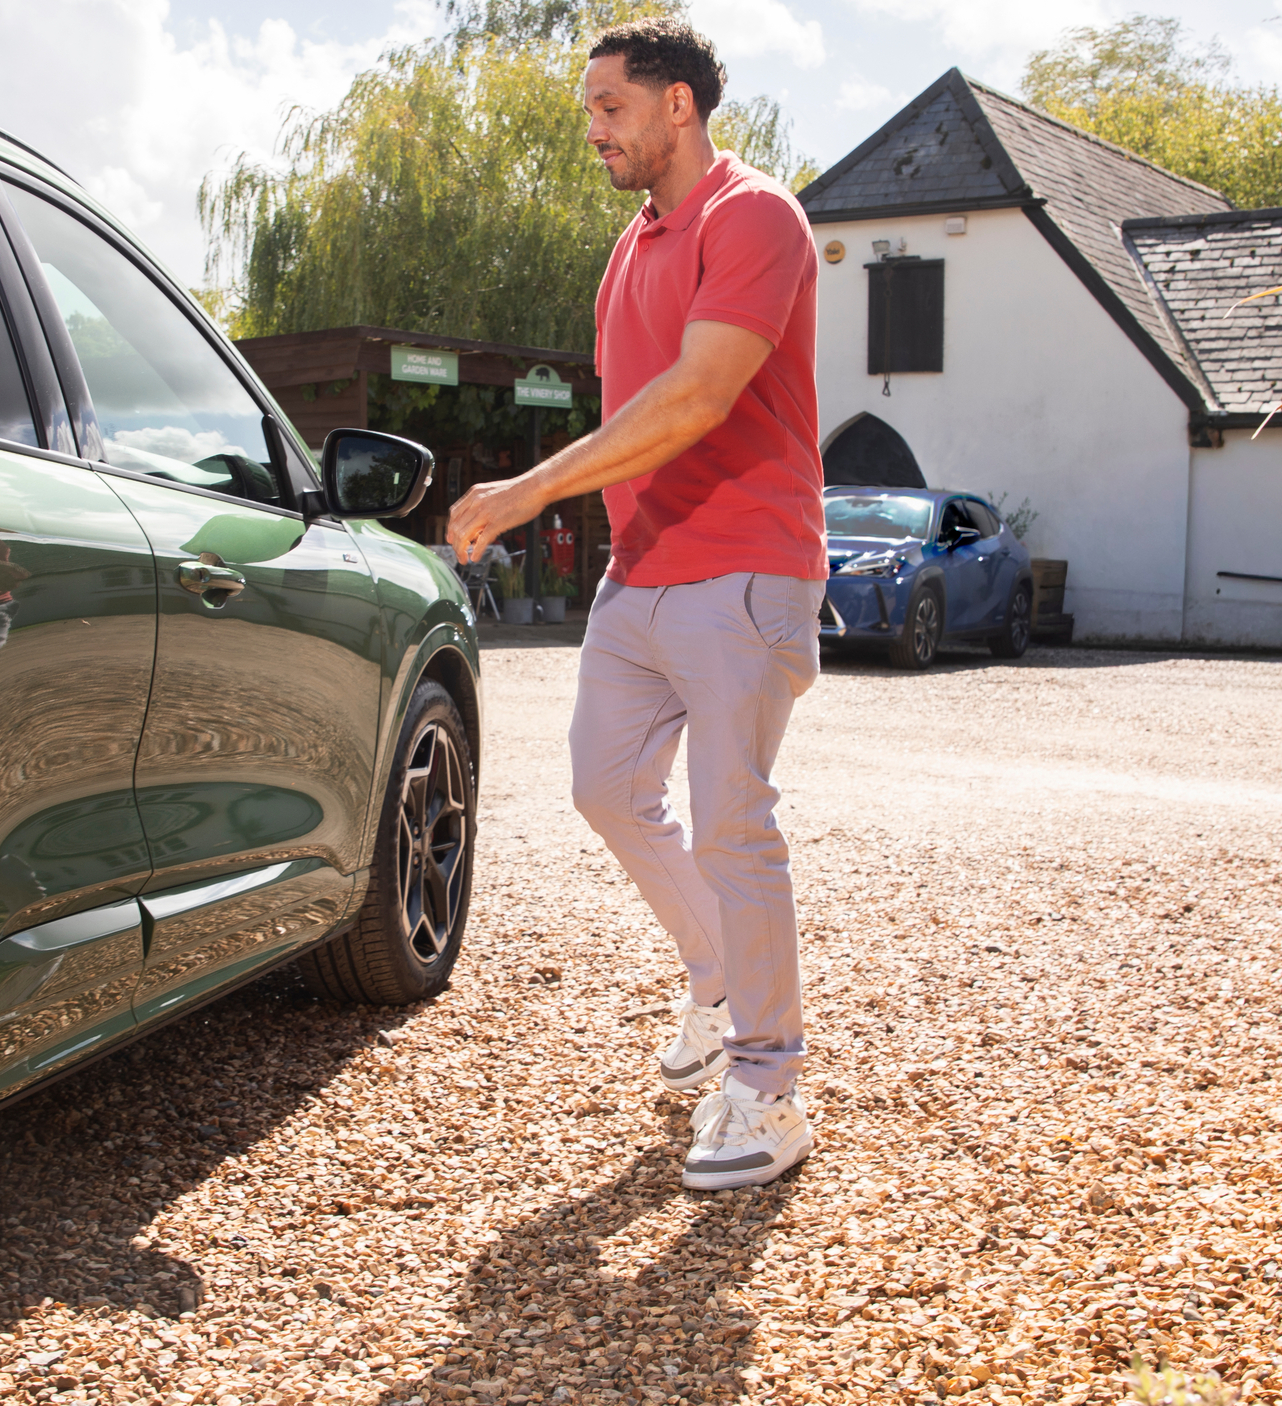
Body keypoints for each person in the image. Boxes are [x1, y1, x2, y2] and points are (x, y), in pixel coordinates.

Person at [445, 17, 825, 1191]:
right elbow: (633, 423)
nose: (593, 129)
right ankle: (718, 979)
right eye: (589, 111)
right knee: (604, 788)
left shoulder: (752, 217)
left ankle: (768, 1086)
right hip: (641, 572)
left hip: (744, 564)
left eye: (610, 107)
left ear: (678, 105)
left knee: (730, 825)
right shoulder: (631, 245)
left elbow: (697, 397)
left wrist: (525, 490)